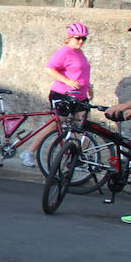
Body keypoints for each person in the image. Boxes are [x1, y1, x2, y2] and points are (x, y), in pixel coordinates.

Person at [19, 22, 92, 167]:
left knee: (85, 127)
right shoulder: (64, 52)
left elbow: (81, 72)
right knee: (56, 124)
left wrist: (89, 86)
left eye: (84, 38)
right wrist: (67, 81)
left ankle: (77, 157)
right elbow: (49, 69)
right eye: (78, 38)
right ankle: (29, 152)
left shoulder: (79, 52)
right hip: (62, 94)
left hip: (80, 95)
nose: (81, 41)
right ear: (70, 37)